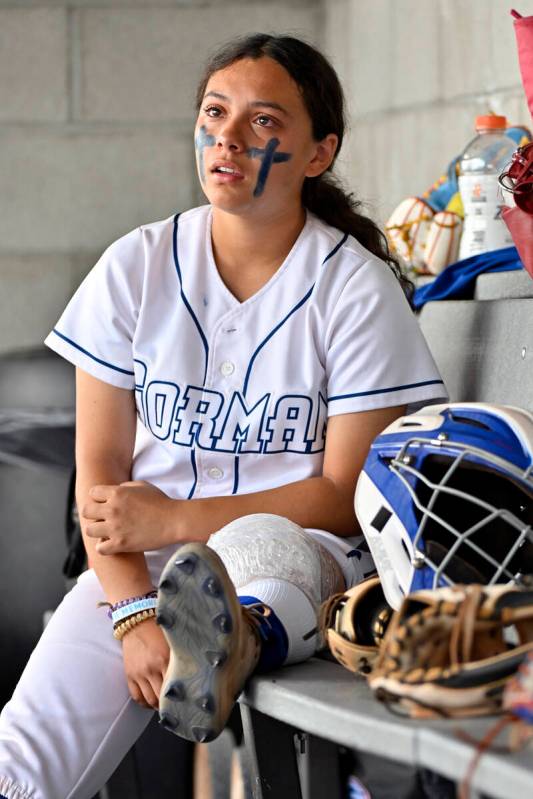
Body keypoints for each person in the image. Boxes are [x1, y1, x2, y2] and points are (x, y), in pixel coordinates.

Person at [0, 33, 446, 798]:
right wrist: (134, 615)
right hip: (137, 570)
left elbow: (342, 492)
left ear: (317, 152)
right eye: (215, 112)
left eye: (264, 121)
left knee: (267, 557)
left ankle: (229, 642)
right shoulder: (135, 265)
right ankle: (204, 640)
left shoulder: (354, 287)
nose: (229, 138)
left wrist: (173, 520)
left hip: (304, 557)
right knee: (20, 767)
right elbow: (101, 484)